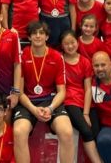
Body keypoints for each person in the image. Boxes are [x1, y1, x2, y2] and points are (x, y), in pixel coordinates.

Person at [12, 21, 74, 163]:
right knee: (19, 132)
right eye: (34, 33)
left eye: (41, 33)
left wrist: (50, 108)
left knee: (67, 132)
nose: (38, 36)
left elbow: (62, 92)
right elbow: (20, 92)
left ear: (47, 37)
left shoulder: (57, 57)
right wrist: (33, 109)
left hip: (51, 101)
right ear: (29, 37)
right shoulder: (22, 56)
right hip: (28, 102)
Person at [60, 31, 102, 163]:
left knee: (97, 133)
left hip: (86, 100)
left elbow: (88, 88)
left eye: (72, 42)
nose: (70, 46)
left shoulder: (85, 62)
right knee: (86, 131)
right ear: (61, 45)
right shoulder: (59, 60)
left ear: (77, 43)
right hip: (69, 100)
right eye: (66, 44)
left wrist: (86, 112)